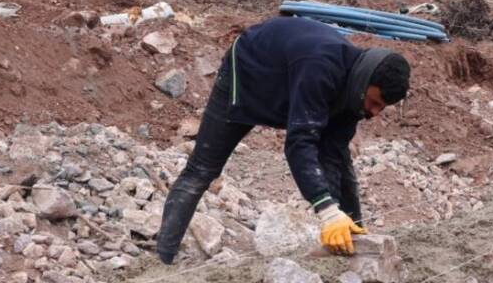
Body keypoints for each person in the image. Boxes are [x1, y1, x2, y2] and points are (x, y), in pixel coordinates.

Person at [155, 16, 411, 263]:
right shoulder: (320, 67)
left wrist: (334, 215)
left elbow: (330, 155)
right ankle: (163, 257)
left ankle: (352, 246)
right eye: (374, 102)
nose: (374, 113)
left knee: (341, 161)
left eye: (382, 108)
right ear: (363, 82)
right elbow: (299, 144)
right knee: (202, 168)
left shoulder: (355, 94)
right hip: (247, 75)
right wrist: (326, 210)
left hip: (289, 84)